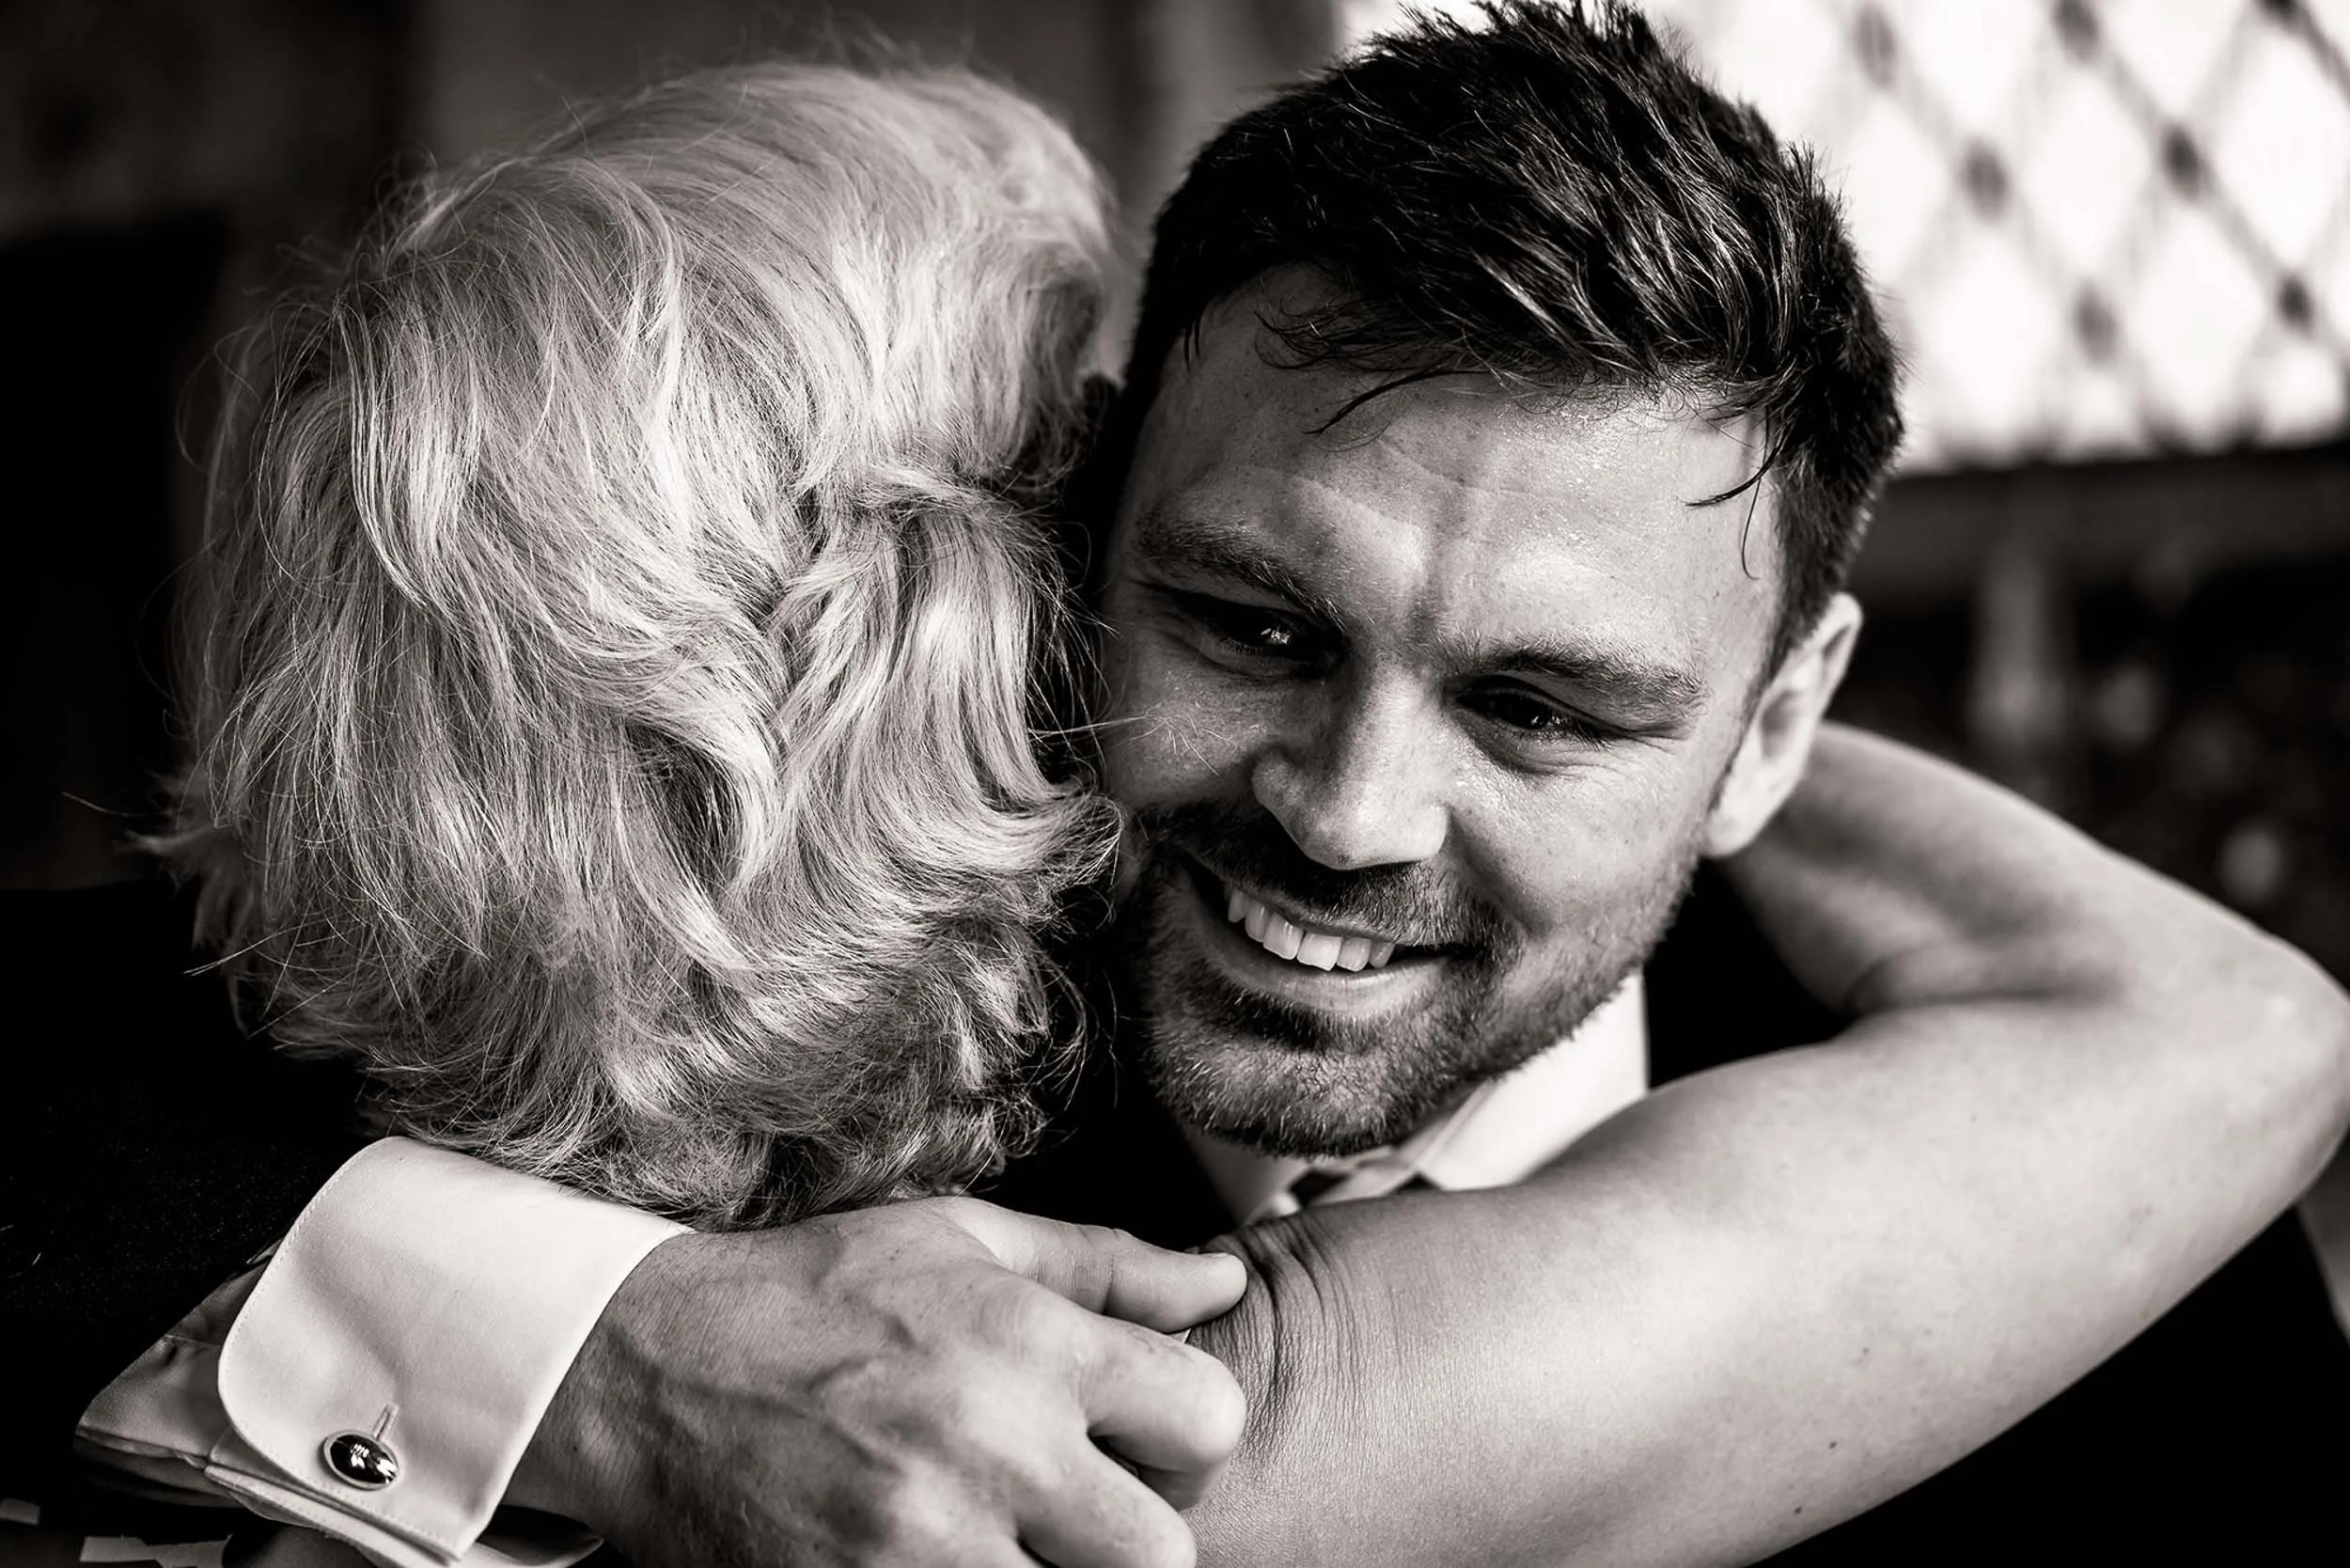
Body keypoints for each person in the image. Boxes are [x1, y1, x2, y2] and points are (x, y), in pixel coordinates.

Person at [21, 7, 2350, 1567]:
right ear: (1089, 525)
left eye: (1540, 707)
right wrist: (601, 1347)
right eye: (1252, 625)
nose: (1346, 812)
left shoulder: (2116, 1271)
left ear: (1769, 724)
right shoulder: (810, 996)